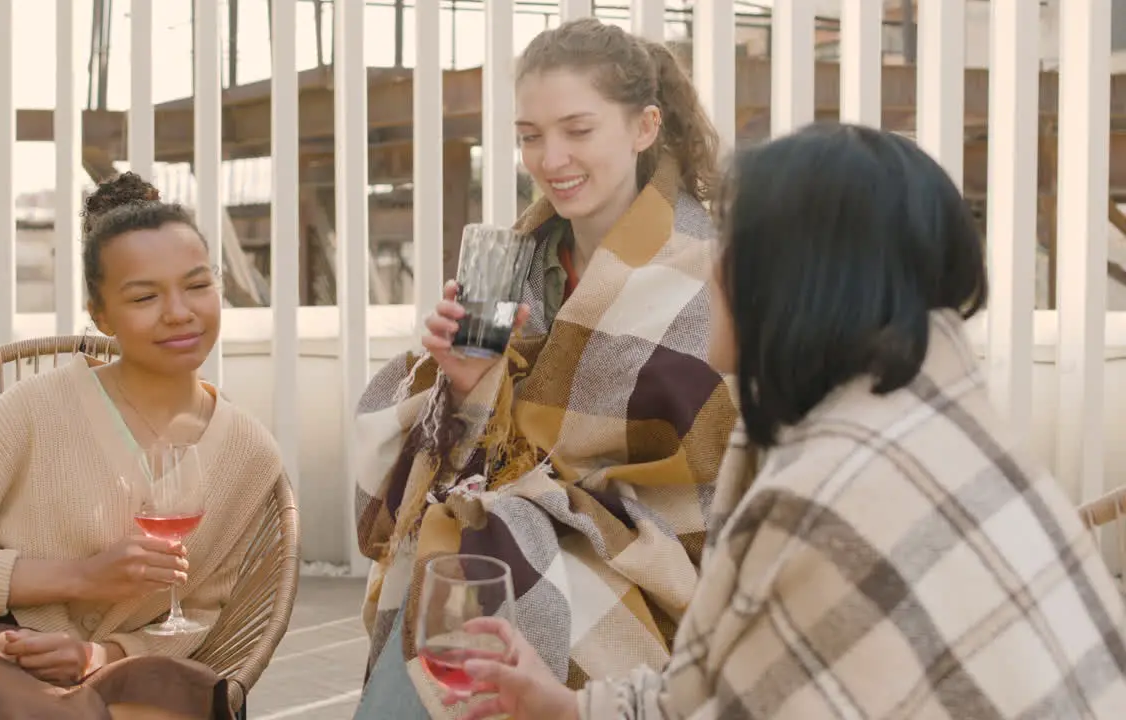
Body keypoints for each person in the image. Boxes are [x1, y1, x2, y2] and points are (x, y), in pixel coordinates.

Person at [446, 122, 1126, 719]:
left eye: (732, 243)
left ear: (797, 278)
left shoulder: (834, 492)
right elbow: (726, 688)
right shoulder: (928, 426)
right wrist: (564, 707)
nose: (709, 266)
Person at [352, 17, 738, 718]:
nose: (550, 156)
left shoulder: (706, 274)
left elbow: (721, 476)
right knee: (460, 567)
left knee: (466, 575)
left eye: (577, 129)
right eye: (530, 134)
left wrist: (551, 508)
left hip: (647, 570)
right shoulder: (511, 265)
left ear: (645, 127)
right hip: (501, 542)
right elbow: (461, 460)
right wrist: (466, 383)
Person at [0, 172, 285, 719]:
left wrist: (99, 653)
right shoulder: (37, 407)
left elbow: (200, 611)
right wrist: (79, 577)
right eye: (145, 296)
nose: (178, 312)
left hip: (107, 672)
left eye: (197, 286)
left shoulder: (250, 453)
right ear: (100, 315)